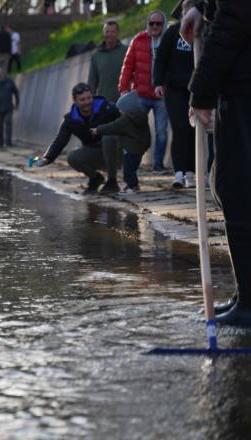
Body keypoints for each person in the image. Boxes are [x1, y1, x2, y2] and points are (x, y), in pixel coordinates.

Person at [182, 0, 251, 325]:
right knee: (232, 188)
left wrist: (202, 89)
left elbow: (235, 17)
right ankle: (245, 294)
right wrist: (202, 6)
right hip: (240, 83)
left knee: (238, 191)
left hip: (244, 87)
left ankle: (249, 304)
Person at [37, 82, 121, 195]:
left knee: (108, 137)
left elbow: (127, 122)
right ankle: (95, 179)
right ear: (75, 100)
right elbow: (59, 141)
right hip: (97, 154)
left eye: (89, 98)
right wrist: (47, 158)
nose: (87, 102)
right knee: (72, 157)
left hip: (118, 152)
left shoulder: (108, 108)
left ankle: (112, 182)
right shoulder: (70, 120)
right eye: (82, 100)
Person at [118, 11, 169, 172]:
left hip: (162, 96)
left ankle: (158, 164)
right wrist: (123, 88)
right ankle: (132, 163)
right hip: (141, 94)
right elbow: (128, 66)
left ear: (164, 24)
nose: (154, 26)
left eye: (158, 23)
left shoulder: (169, 40)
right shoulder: (138, 40)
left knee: (161, 132)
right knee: (134, 130)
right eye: (151, 23)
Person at [154, 3, 196, 189]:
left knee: (193, 130)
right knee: (179, 128)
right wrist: (158, 82)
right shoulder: (173, 32)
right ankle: (178, 173)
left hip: (195, 89)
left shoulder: (201, 32)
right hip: (174, 89)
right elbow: (161, 58)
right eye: (185, 12)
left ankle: (191, 172)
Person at [91, 91, 151, 193]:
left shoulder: (126, 119)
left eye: (121, 109)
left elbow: (113, 127)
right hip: (140, 148)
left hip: (131, 149)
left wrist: (98, 130)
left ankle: (133, 186)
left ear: (127, 108)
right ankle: (132, 185)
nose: (119, 111)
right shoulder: (141, 116)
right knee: (133, 169)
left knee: (127, 171)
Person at [89, 20, 128, 103]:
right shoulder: (96, 55)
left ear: (118, 33)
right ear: (103, 33)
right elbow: (92, 82)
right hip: (105, 103)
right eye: (107, 32)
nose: (109, 35)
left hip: (125, 100)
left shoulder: (127, 51)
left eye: (113, 32)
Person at [0, 67, 19, 148]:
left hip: (9, 107)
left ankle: (8, 142)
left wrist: (17, 103)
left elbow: (16, 92)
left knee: (8, 123)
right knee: (0, 126)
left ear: (2, 73)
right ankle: (1, 143)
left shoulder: (9, 81)